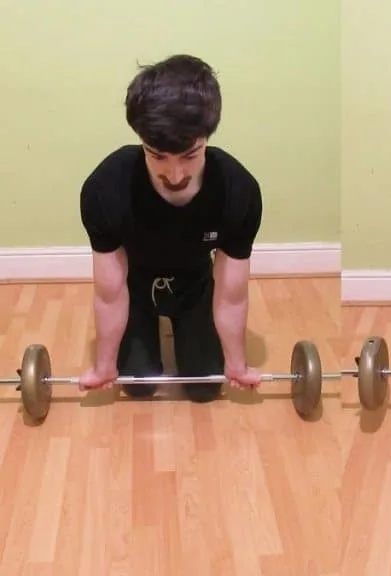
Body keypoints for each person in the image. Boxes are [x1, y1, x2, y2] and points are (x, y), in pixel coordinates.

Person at [78, 54, 264, 402]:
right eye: (157, 156)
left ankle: (188, 325)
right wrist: (104, 365)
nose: (175, 175)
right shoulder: (105, 189)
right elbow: (110, 291)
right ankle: (144, 333)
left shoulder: (238, 192)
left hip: (195, 283)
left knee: (206, 387)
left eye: (190, 156)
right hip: (135, 285)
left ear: (207, 138)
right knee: (138, 387)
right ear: (141, 141)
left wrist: (237, 364)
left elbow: (232, 292)